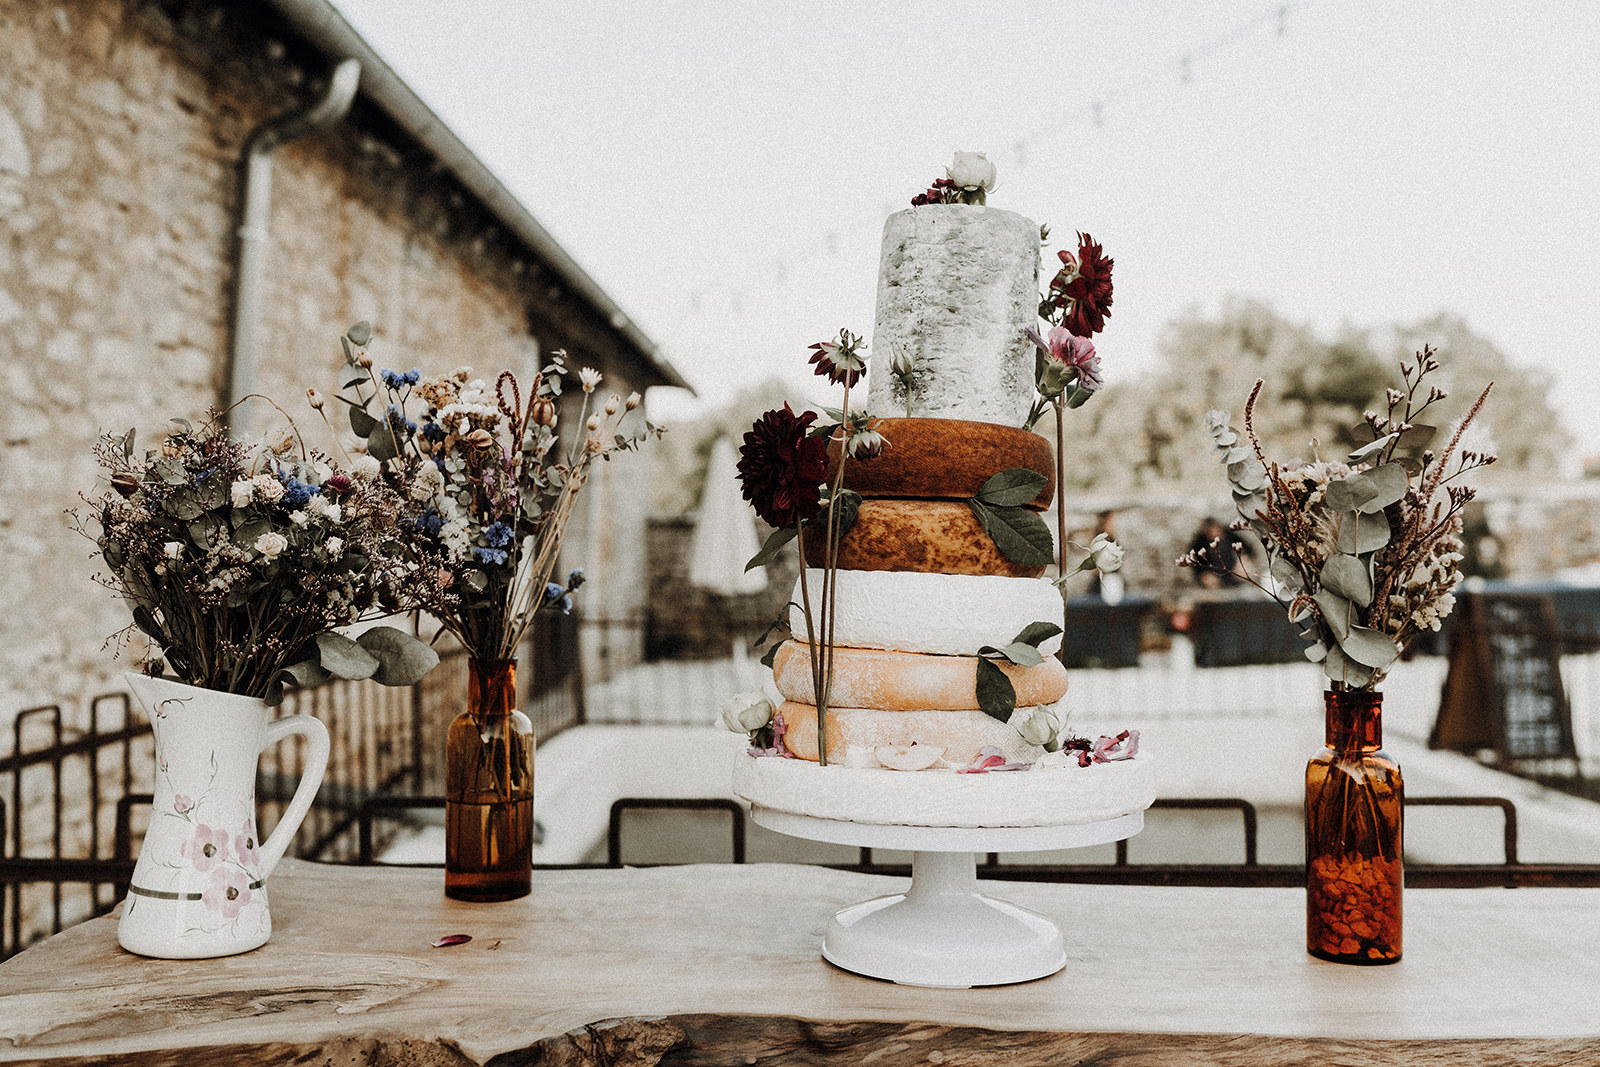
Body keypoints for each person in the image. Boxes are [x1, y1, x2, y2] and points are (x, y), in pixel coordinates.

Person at [1188, 517, 1254, 589]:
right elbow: (1192, 560)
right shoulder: (1200, 542)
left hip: (1233, 572)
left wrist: (1242, 562)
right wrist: (1202, 574)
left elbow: (1249, 549)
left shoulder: (1229, 535)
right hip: (1213, 576)